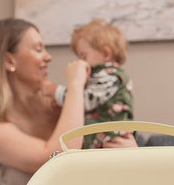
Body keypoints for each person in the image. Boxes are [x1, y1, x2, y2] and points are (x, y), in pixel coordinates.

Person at [0, 18, 137, 185]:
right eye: (38, 49)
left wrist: (131, 155)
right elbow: (61, 157)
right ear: (9, 61)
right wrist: (76, 84)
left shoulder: (61, 104)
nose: (48, 57)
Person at [52, 19, 134, 149]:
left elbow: (86, 100)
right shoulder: (100, 76)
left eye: (84, 56)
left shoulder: (110, 76)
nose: (81, 62)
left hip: (108, 143)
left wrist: (56, 92)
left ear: (106, 54)